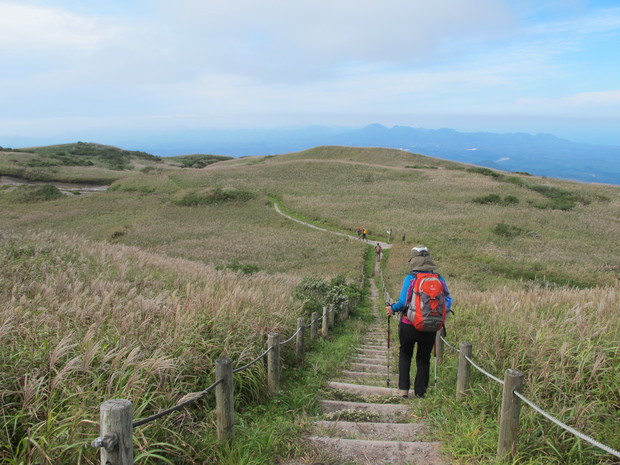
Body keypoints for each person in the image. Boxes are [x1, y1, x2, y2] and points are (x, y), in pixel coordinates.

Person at [385, 246, 452, 398]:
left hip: (409, 324)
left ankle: (403, 390)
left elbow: (403, 302)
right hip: (430, 326)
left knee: (405, 354)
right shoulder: (439, 279)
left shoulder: (411, 278)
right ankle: (420, 393)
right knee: (423, 359)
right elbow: (448, 301)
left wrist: (392, 309)